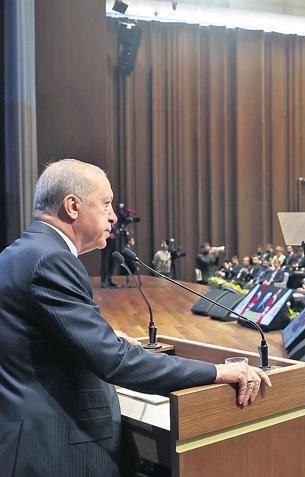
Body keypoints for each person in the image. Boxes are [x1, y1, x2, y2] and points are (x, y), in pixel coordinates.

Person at [0, 159, 271, 477]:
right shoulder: (52, 261)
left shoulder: (15, 254)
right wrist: (217, 372)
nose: (113, 216)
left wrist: (107, 338)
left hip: (26, 438)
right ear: (72, 206)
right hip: (58, 449)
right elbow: (115, 362)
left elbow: (41, 340)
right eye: (105, 204)